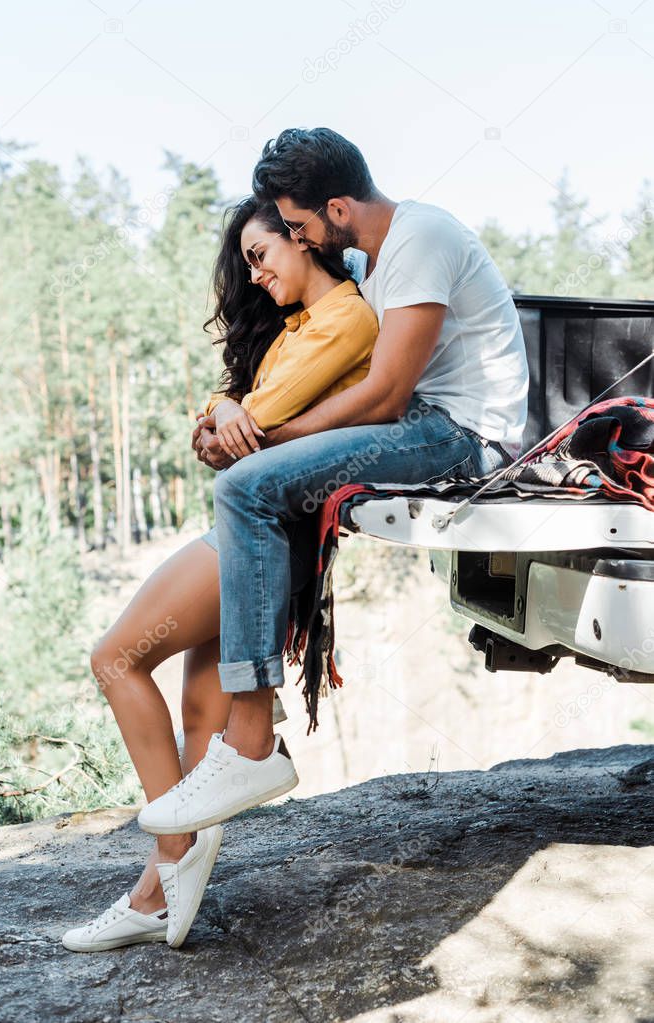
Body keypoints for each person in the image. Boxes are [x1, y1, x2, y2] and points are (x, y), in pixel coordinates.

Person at [136, 127, 529, 839]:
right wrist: (241, 426)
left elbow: (383, 398)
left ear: (338, 208)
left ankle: (250, 738)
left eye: (297, 225)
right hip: (426, 421)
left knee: (246, 486)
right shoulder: (377, 258)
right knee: (253, 483)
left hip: (464, 437)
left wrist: (262, 444)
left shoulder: (421, 238)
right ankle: (246, 733)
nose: (300, 238)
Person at [61, 194, 379, 952]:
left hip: (269, 532)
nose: (255, 273)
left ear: (303, 240)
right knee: (202, 719)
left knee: (116, 657)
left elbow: (257, 421)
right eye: (246, 263)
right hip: (256, 529)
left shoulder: (349, 320)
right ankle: (152, 895)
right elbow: (232, 411)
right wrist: (220, 409)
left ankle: (173, 852)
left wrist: (230, 417)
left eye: (261, 253)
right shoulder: (294, 327)